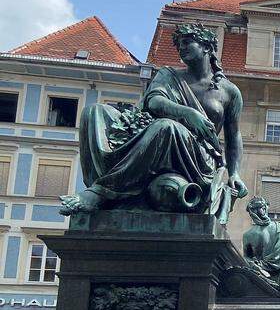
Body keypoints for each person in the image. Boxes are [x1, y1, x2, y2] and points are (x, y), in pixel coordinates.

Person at [59, 23, 247, 221]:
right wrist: (188, 113)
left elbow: (234, 136)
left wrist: (235, 174)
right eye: (179, 45)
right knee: (94, 112)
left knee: (167, 126)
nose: (181, 48)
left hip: (199, 157)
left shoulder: (229, 92)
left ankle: (100, 193)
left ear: (207, 48)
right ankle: (101, 186)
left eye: (187, 43)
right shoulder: (169, 75)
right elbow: (154, 101)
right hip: (161, 139)